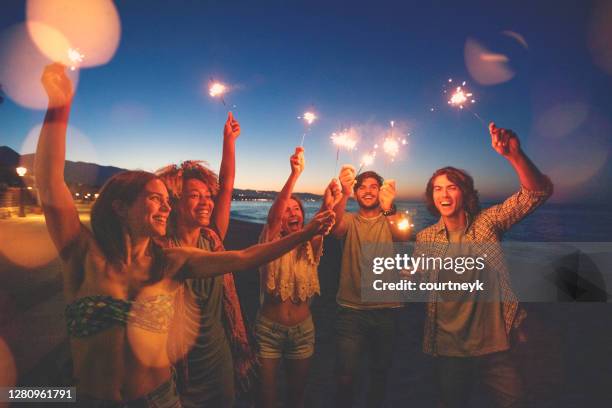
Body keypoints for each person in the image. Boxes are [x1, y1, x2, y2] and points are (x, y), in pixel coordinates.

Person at [35, 63, 335, 407]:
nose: (164, 207)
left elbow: (243, 257)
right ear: (120, 206)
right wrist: (59, 106)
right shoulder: (83, 255)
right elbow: (48, 184)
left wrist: (307, 231)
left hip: (163, 398)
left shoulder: (170, 261)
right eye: (156, 199)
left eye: (166, 200)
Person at [415, 123, 553, 408]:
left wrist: (514, 155)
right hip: (449, 349)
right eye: (437, 189)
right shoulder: (425, 238)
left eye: (451, 187)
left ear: (464, 193)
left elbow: (536, 194)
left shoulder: (487, 224)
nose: (443, 194)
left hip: (496, 347)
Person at [155, 112, 253, 408]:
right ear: (174, 201)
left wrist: (229, 141)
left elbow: (226, 184)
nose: (206, 201)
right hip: (175, 367)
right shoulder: (158, 250)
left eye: (207, 196)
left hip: (220, 359)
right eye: (194, 195)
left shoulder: (212, 239)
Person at [255, 147, 342, 408]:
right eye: (287, 210)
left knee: (296, 397)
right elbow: (273, 216)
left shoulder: (310, 244)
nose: (293, 213)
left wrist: (330, 202)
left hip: (303, 332)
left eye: (297, 210)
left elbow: (322, 222)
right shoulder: (268, 243)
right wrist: (294, 175)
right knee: (267, 399)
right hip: (268, 332)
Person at [330, 168, 411, 407]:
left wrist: (389, 207)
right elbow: (334, 228)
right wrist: (343, 194)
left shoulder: (390, 217)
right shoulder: (350, 220)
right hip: (350, 309)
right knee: (346, 375)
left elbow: (402, 235)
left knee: (380, 373)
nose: (368, 191)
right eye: (362, 186)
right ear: (356, 193)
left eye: (373, 186)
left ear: (381, 191)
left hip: (387, 310)